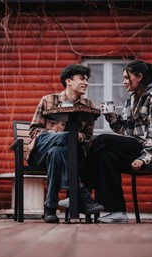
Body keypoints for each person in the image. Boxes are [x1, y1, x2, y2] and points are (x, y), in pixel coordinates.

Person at [82, 60, 152, 223]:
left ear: (139, 77)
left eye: (126, 78)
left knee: (101, 140)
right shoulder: (131, 100)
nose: (123, 82)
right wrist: (112, 117)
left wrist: (145, 157)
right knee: (107, 157)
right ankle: (117, 212)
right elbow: (125, 130)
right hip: (137, 146)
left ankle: (83, 191)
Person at [27, 64, 104, 223]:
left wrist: (78, 136)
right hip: (41, 150)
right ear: (68, 81)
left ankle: (50, 208)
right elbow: (34, 130)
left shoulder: (89, 105)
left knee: (57, 153)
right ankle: (82, 194)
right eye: (82, 78)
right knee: (65, 138)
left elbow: (88, 135)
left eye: (87, 79)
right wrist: (59, 135)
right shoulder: (48, 100)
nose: (86, 83)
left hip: (70, 154)